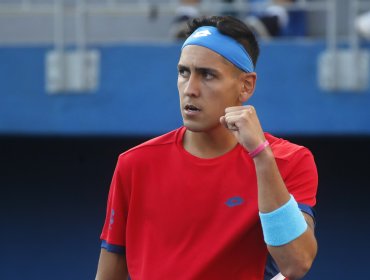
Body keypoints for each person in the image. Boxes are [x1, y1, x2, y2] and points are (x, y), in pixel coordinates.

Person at [95, 15, 318, 280]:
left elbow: (296, 263)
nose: (190, 89)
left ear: (246, 86)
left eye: (208, 75)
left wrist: (260, 156)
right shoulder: (134, 164)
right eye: (183, 72)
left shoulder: (289, 160)